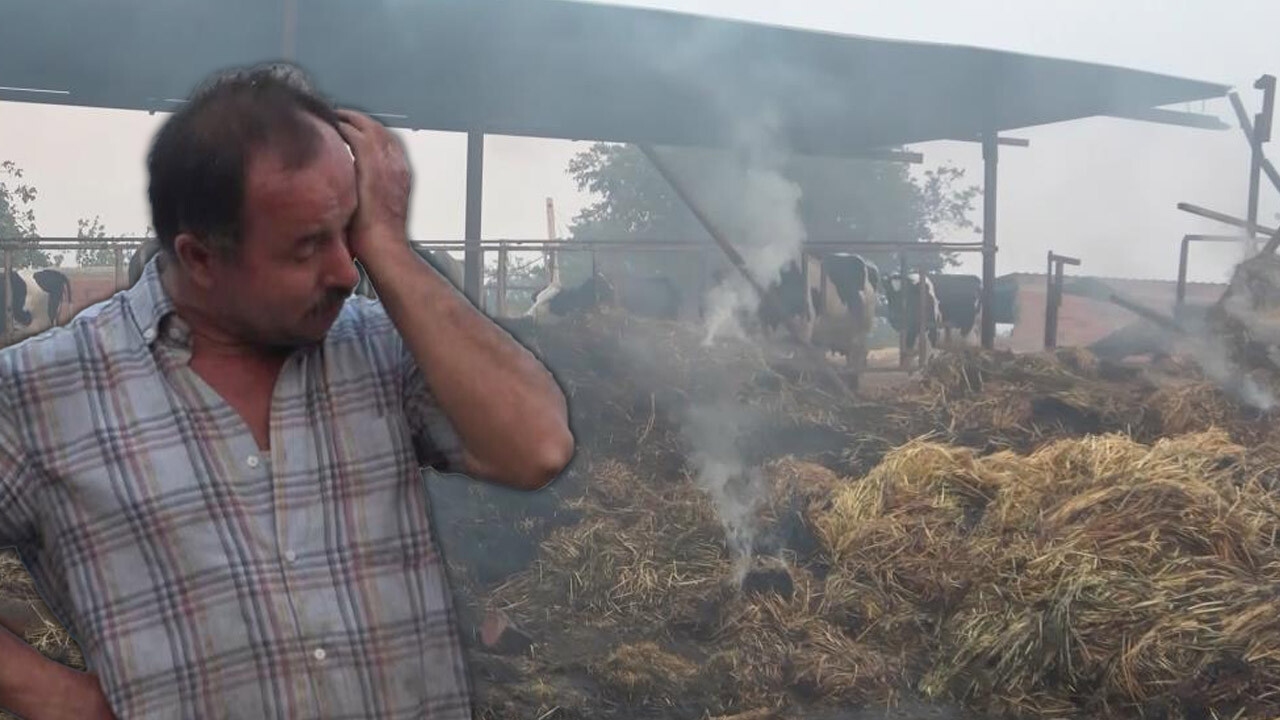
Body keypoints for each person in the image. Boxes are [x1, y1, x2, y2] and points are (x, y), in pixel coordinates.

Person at [0, 63, 574, 719]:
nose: (344, 270)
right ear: (200, 259)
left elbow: (538, 446)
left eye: (348, 231)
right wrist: (55, 695)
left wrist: (386, 242)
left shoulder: (382, 348)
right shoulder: (45, 391)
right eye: (306, 248)